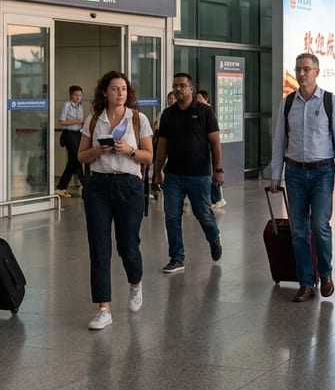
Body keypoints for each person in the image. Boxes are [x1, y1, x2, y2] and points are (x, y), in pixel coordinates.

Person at [269, 53, 335, 303]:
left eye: (306, 69)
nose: (301, 73)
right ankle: (306, 282)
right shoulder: (288, 103)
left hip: (322, 172)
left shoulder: (329, 101)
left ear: (317, 72)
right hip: (294, 173)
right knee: (299, 231)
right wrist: (276, 175)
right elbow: (279, 141)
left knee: (319, 226)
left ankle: (325, 273)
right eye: (298, 69)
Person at [76, 70, 152, 330]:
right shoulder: (94, 119)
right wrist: (98, 149)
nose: (120, 93)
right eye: (115, 89)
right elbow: (81, 156)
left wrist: (130, 150)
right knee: (99, 247)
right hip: (98, 186)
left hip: (129, 186)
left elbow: (149, 156)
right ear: (105, 93)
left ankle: (135, 283)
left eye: (123, 89)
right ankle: (103, 308)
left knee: (127, 245)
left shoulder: (138, 119)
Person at [153, 73, 223, 274]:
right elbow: (162, 146)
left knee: (204, 215)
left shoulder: (204, 112)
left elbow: (215, 144)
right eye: (175, 85)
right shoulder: (168, 114)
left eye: (182, 85)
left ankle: (214, 238)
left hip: (199, 175)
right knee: (172, 216)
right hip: (173, 175)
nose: (178, 89)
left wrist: (218, 170)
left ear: (191, 89)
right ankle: (176, 258)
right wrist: (157, 172)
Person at [196, 90, 227, 210]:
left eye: (199, 98)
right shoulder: (197, 111)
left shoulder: (208, 113)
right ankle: (214, 198)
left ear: (206, 100)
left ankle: (218, 198)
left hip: (207, 150)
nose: (197, 100)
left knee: (211, 175)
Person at [56, 85, 87, 198]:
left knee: (73, 161)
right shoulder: (66, 105)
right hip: (69, 134)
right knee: (76, 159)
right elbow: (62, 121)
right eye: (76, 95)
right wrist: (77, 121)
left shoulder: (80, 106)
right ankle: (86, 185)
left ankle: (61, 187)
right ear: (71, 95)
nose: (78, 97)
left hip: (78, 133)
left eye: (80, 95)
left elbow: (80, 121)